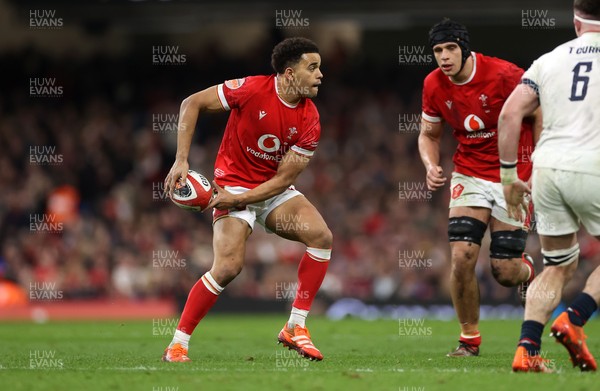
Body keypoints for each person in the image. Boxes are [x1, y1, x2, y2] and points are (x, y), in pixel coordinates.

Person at [162, 37, 331, 362]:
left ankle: (295, 326)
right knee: (228, 267)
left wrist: (241, 200)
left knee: (322, 237)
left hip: (270, 190)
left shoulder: (310, 119)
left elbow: (284, 180)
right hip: (233, 183)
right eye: (313, 67)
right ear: (289, 72)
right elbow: (191, 103)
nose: (320, 75)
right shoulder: (251, 89)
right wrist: (181, 159)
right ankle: (177, 345)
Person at [418, 18, 541, 357]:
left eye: (450, 48)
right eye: (438, 50)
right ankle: (469, 339)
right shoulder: (433, 84)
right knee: (462, 257)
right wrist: (431, 165)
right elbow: (428, 134)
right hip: (469, 172)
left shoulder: (504, 75)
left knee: (504, 271)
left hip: (513, 172)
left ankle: (527, 271)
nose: (444, 57)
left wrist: (539, 159)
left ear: (464, 48)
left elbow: (540, 109)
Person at [498, 0, 600, 373]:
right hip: (595, 164)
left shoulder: (548, 59)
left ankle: (527, 349)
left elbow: (510, 113)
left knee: (557, 265)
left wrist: (509, 177)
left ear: (576, 23)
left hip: (548, 168)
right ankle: (574, 317)